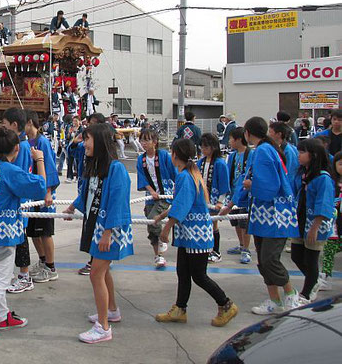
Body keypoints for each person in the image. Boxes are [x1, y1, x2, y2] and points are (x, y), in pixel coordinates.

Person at [0, 127, 50, 340]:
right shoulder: (10, 171)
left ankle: (4, 317)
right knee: (1, 282)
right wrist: (39, 160)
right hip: (2, 235)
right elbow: (40, 186)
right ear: (16, 148)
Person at [154, 138, 239, 327]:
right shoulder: (189, 173)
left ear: (175, 155)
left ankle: (226, 304)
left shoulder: (185, 176)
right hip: (190, 234)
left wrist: (166, 229)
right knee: (183, 272)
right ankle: (180, 308)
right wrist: (162, 216)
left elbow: (182, 206)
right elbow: (181, 203)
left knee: (199, 275)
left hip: (195, 235)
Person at [64, 123, 134, 343]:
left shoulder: (116, 169)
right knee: (102, 272)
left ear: (101, 142)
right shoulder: (95, 165)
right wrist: (74, 206)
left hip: (108, 230)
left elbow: (118, 202)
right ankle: (111, 310)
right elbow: (88, 193)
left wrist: (108, 233)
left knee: (96, 273)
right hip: (98, 227)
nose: (84, 143)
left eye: (88, 139)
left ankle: (103, 327)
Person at [225, 116, 300, 315]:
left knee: (269, 259)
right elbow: (246, 178)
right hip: (263, 215)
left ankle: (291, 293)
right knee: (263, 260)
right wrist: (232, 203)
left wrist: (251, 186)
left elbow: (267, 185)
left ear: (247, 134)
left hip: (275, 215)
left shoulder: (264, 151)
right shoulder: (264, 150)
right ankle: (275, 300)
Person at [289, 138, 335, 303]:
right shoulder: (302, 173)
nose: (299, 155)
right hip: (300, 221)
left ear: (314, 155)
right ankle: (314, 281)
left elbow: (324, 204)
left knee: (311, 258)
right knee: (296, 255)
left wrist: (315, 227)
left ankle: (307, 293)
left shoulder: (323, 178)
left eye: (302, 152)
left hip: (315, 224)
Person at [1, 107, 34, 293]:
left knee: (20, 239)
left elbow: (18, 177)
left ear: (14, 125)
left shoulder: (21, 147)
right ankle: (18, 274)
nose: (3, 128)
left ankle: (24, 276)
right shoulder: (20, 144)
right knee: (16, 239)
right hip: (17, 201)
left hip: (19, 202)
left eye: (5, 125)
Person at [25, 110, 61, 284]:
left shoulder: (42, 142)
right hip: (32, 196)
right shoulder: (26, 142)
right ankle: (42, 260)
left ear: (30, 122)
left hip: (44, 194)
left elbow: (50, 166)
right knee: (33, 232)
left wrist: (48, 191)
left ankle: (51, 267)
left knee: (45, 232)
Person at [137, 128, 176, 269]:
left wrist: (178, 187)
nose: (143, 143)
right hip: (150, 196)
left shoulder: (164, 155)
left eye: (146, 140)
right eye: (142, 140)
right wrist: (151, 191)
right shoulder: (141, 159)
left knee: (155, 218)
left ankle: (164, 237)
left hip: (164, 195)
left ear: (155, 142)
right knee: (150, 223)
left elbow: (174, 173)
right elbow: (142, 178)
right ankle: (158, 255)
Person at [198, 133, 230, 263]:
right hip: (201, 200)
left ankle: (216, 251)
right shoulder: (200, 162)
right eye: (202, 147)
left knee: (213, 224)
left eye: (206, 147)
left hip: (214, 200)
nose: (203, 150)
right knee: (203, 224)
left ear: (213, 147)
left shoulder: (220, 163)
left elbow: (224, 184)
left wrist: (220, 201)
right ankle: (206, 249)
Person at [224, 127, 252, 264]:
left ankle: (246, 249)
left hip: (245, 195)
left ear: (238, 139)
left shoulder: (250, 154)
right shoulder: (233, 155)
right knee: (234, 220)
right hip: (233, 192)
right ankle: (241, 245)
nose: (229, 141)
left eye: (231, 139)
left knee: (244, 222)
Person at [318, 151, 342, 291]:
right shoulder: (331, 183)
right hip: (334, 225)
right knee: (328, 250)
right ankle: (326, 277)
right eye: (340, 164)